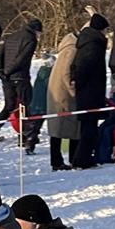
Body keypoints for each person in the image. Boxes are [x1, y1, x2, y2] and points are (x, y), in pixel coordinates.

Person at [0, 19, 42, 152]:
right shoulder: (31, 39)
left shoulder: (11, 36)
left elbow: (0, 53)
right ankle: (29, 138)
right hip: (20, 77)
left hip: (6, 78)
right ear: (36, 30)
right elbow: (23, 58)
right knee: (26, 105)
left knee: (9, 106)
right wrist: (9, 71)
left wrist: (0, 70)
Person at [71, 13, 110, 169]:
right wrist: (79, 83)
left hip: (89, 92)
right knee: (89, 129)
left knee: (88, 128)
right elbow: (82, 68)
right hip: (89, 93)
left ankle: (83, 158)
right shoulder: (93, 46)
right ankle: (82, 160)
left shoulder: (89, 42)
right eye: (106, 30)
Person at [47, 30, 80, 171]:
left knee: (58, 130)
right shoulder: (72, 50)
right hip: (64, 95)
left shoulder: (66, 48)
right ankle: (65, 159)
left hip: (57, 93)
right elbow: (66, 72)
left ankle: (59, 160)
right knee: (70, 128)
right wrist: (72, 91)